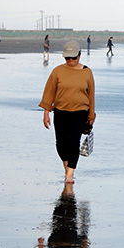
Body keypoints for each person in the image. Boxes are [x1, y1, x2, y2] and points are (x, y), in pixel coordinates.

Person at [39, 40, 96, 183]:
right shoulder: (58, 71)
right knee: (61, 143)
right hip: (60, 111)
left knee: (74, 142)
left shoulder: (87, 72)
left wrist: (91, 115)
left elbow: (91, 95)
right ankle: (67, 167)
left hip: (80, 111)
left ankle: (70, 174)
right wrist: (46, 112)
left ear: (79, 55)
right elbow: (49, 92)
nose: (70, 60)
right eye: (67, 58)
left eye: (73, 57)